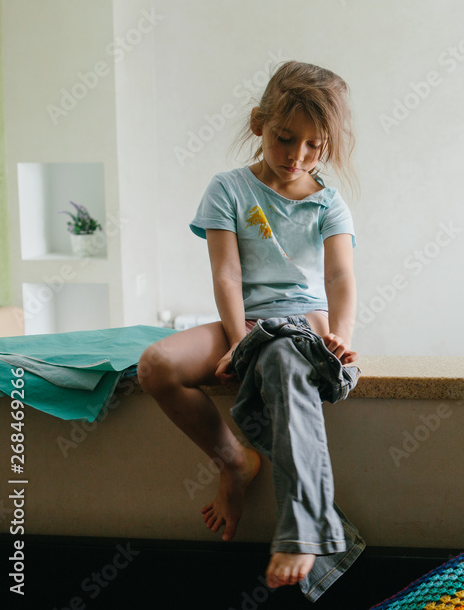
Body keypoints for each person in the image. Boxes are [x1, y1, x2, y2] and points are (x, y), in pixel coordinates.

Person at [137, 60, 361, 591]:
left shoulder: (329, 204)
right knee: (157, 365)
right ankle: (235, 461)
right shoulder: (228, 189)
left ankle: (301, 530)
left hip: (300, 327)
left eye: (315, 146)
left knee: (283, 362)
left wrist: (343, 338)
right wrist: (239, 343)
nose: (297, 156)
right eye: (286, 138)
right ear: (260, 122)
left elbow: (340, 277)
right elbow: (227, 271)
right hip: (243, 323)